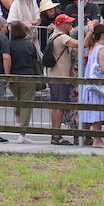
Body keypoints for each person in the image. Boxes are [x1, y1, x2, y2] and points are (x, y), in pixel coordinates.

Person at [43, 14, 78, 145]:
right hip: (60, 75)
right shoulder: (62, 36)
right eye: (68, 23)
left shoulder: (53, 35)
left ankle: (55, 133)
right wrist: (91, 31)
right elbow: (80, 44)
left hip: (55, 74)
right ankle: (56, 134)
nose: (70, 25)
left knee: (56, 105)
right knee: (59, 106)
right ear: (61, 24)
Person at [5, 20, 39, 144]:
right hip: (28, 76)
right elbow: (35, 59)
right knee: (26, 105)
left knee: (18, 103)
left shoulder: (8, 44)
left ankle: (19, 129)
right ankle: (22, 132)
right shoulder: (29, 44)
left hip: (14, 77)